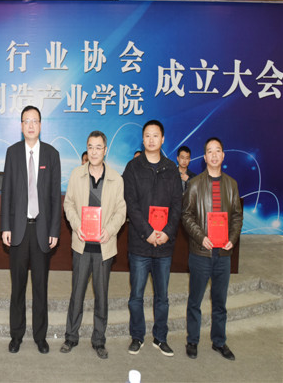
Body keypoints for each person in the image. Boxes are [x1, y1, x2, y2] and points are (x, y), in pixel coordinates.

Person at [1, 105, 61, 354]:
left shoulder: (51, 154)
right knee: (18, 287)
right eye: (26, 121)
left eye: (35, 121)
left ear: (41, 125)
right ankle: (16, 335)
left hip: (42, 230)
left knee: (40, 287)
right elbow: (6, 191)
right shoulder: (13, 152)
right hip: (18, 229)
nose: (31, 125)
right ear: (21, 125)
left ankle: (40, 336)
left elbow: (55, 196)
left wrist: (55, 230)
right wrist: (5, 226)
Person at [61, 131, 126, 359]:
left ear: (105, 150)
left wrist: (110, 230)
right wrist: (76, 224)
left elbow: (121, 210)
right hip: (81, 245)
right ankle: (71, 336)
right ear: (87, 149)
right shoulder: (76, 174)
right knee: (77, 294)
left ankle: (99, 340)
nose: (94, 151)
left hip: (104, 247)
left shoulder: (116, 178)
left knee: (101, 296)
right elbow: (68, 204)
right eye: (91, 147)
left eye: (99, 147)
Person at [123, 120, 182, 357]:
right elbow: (131, 204)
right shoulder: (133, 167)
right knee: (136, 296)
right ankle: (137, 336)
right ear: (143, 139)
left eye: (155, 135)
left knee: (162, 297)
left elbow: (177, 204)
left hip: (164, 245)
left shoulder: (171, 168)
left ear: (163, 139)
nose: (151, 140)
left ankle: (160, 337)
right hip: (140, 243)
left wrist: (167, 232)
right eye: (147, 135)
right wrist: (148, 232)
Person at [182, 137, 242, 361]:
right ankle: (192, 340)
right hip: (201, 252)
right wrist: (201, 237)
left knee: (220, 302)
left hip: (223, 254)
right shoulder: (195, 184)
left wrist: (232, 238)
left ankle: (219, 341)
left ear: (223, 156)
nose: (214, 155)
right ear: (205, 157)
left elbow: (237, 216)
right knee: (195, 300)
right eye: (210, 151)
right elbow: (186, 215)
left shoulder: (232, 184)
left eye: (218, 151)